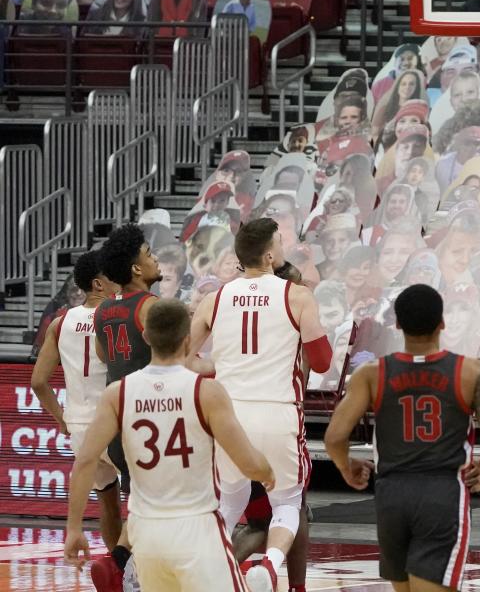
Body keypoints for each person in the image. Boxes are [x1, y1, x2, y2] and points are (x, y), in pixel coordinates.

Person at [64, 299, 275, 591]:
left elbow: (85, 461)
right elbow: (249, 463)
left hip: (147, 534)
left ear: (146, 337)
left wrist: (74, 527)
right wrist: (267, 471)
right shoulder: (207, 391)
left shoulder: (117, 393)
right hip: (196, 529)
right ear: (188, 338)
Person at [324, 283, 480, 592]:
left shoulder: (371, 373)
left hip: (391, 494)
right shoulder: (471, 372)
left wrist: (346, 467)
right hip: (442, 494)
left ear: (397, 325)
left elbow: (334, 437)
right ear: (442, 323)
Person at [188, 217, 332, 592]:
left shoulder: (214, 298)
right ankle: (269, 566)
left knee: (230, 502)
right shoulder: (297, 295)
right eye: (280, 242)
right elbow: (321, 362)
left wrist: (220, 366)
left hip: (229, 414)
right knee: (287, 502)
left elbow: (183, 359)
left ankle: (202, 570)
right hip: (277, 411)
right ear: (270, 255)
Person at [31, 252, 123, 554]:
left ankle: (118, 571)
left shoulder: (61, 322)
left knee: (107, 501)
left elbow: (38, 381)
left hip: (81, 427)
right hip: (114, 423)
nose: (117, 281)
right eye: (111, 276)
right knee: (144, 501)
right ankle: (136, 566)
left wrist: (61, 419)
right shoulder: (116, 315)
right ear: (98, 284)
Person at [91, 223, 162, 590]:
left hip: (116, 424)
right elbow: (176, 356)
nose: (155, 259)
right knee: (167, 506)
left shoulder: (102, 312)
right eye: (149, 254)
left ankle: (126, 569)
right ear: (136, 269)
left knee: (141, 503)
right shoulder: (150, 306)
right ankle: (122, 564)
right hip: (150, 419)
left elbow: (104, 355)